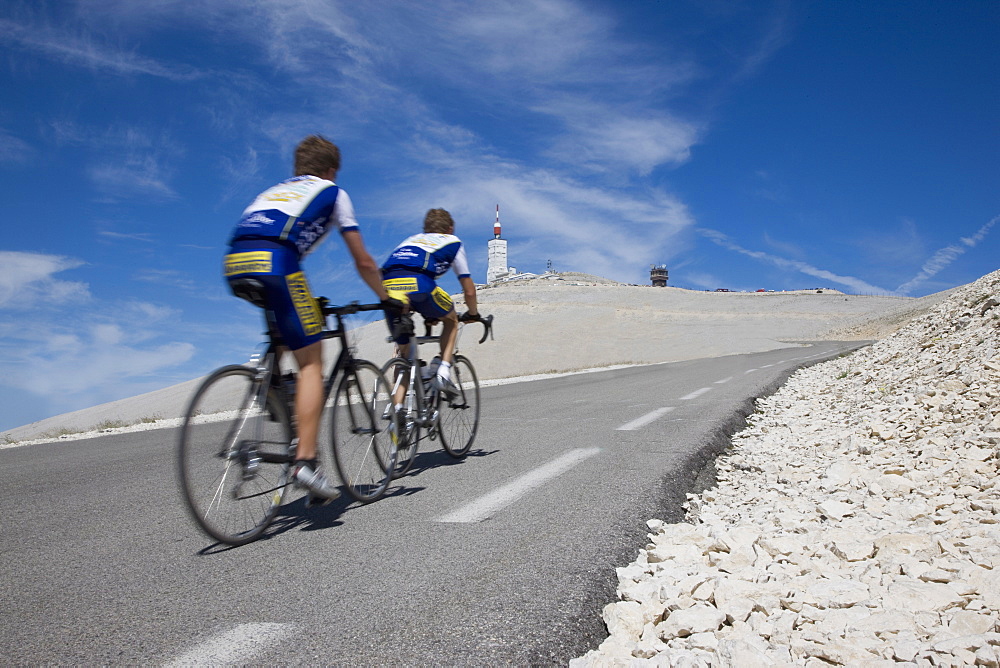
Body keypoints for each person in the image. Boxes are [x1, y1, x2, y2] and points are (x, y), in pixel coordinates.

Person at [223, 135, 401, 505]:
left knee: (290, 335)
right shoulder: (332, 192)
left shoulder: (273, 191)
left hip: (237, 261)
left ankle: (270, 381)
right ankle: (305, 462)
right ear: (331, 169)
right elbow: (364, 262)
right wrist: (387, 299)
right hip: (278, 263)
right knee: (312, 362)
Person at [381, 208, 480, 404]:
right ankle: (443, 372)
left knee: (405, 355)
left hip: (387, 287)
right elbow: (469, 290)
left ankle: (397, 416)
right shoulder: (453, 242)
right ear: (450, 228)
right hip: (420, 284)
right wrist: (473, 313)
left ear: (425, 228)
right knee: (451, 320)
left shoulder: (410, 239)